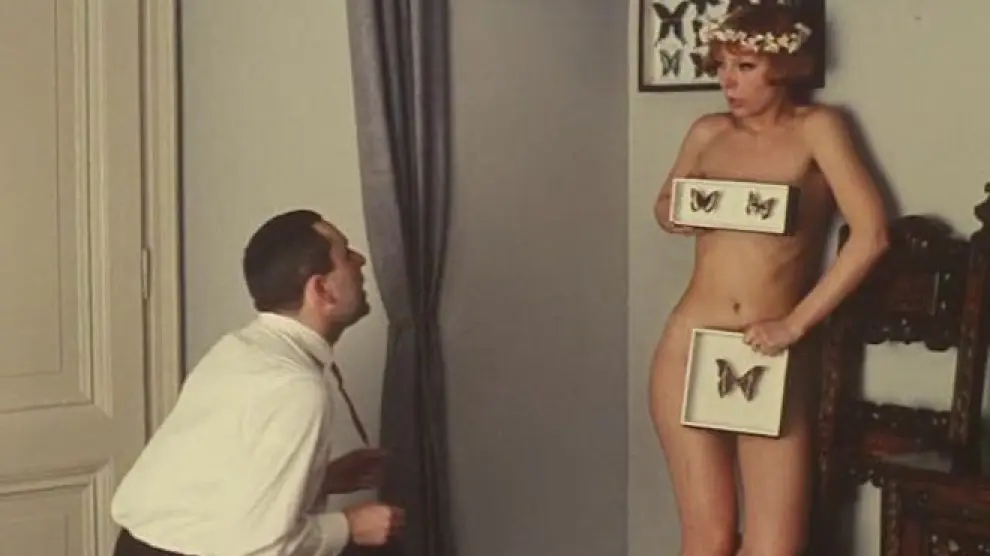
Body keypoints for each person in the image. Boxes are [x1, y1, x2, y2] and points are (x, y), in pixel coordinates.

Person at [649, 4, 889, 556]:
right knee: (707, 538)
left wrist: (794, 325)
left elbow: (871, 236)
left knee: (775, 546)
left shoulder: (819, 129)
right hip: (688, 345)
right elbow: (665, 203)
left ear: (783, 67)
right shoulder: (707, 132)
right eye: (721, 66)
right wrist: (675, 215)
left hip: (768, 351)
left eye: (746, 66)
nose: (728, 82)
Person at [111, 210, 404, 556]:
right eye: (345, 255)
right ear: (322, 290)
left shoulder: (238, 348)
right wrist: (350, 526)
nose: (360, 260)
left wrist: (319, 478)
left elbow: (225, 480)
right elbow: (261, 546)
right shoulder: (297, 387)